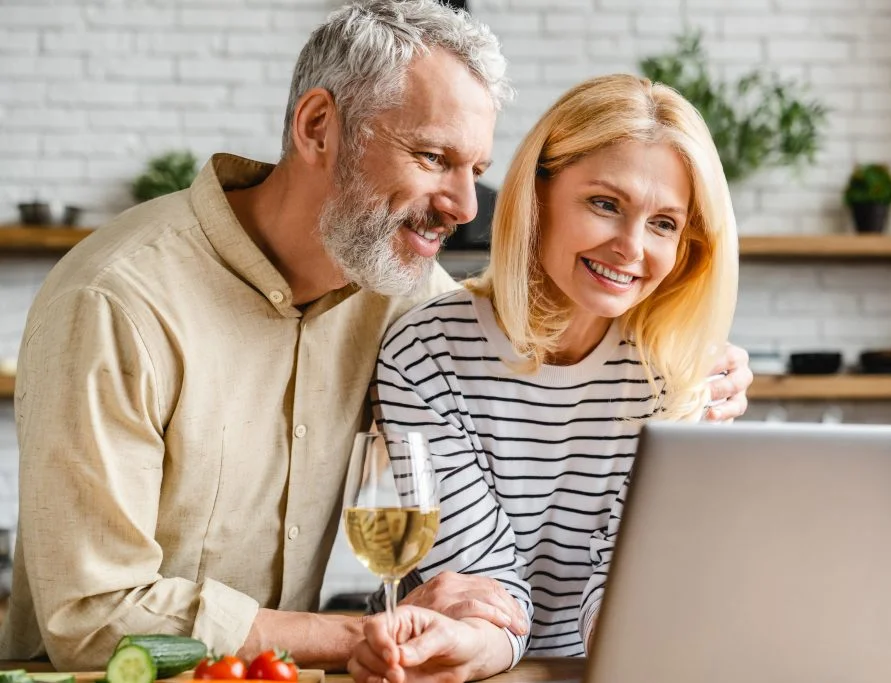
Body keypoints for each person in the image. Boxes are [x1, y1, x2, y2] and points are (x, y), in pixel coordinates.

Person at [0, 0, 531, 670]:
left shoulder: (405, 296)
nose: (465, 206)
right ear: (318, 128)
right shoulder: (117, 300)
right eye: (433, 156)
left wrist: (684, 380)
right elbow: (94, 615)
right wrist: (356, 636)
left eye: (474, 171)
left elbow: (527, 389)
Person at [348, 73, 746, 683]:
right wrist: (470, 641)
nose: (631, 248)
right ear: (538, 194)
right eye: (605, 204)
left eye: (665, 223)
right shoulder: (425, 353)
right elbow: (485, 593)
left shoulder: (671, 373)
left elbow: (627, 585)